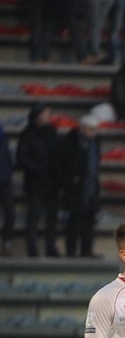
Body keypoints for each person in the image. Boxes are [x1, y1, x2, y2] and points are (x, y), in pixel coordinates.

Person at [17, 102, 62, 257]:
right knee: (33, 217)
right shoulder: (27, 133)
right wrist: (38, 169)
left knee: (52, 218)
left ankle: (51, 247)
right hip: (35, 182)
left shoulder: (52, 132)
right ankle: (32, 249)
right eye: (45, 114)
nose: (48, 117)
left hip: (52, 182)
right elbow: (22, 157)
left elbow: (58, 154)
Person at [59, 114, 103, 258]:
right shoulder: (71, 141)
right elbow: (66, 165)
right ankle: (71, 251)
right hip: (76, 187)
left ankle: (86, 250)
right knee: (75, 221)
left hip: (90, 185)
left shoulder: (95, 143)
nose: (93, 133)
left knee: (89, 222)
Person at [0, 125, 14, 256]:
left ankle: (7, 244)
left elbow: (6, 154)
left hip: (4, 178)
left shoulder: (1, 131)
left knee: (10, 212)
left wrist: (8, 172)